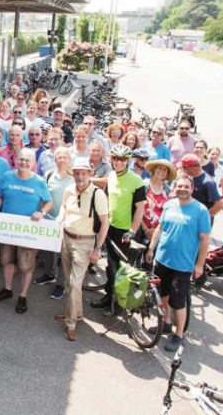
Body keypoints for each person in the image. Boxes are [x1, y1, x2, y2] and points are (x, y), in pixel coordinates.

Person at [146, 175, 210, 352]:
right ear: (174, 188)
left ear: (192, 188)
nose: (182, 189)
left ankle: (179, 334)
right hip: (163, 259)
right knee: (163, 295)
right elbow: (160, 227)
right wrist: (151, 248)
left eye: (186, 186)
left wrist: (199, 265)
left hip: (182, 265)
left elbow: (204, 239)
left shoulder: (200, 210)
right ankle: (166, 323)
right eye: (179, 186)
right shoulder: (169, 204)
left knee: (178, 301)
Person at [0, 149, 53, 313]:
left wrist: (42, 213)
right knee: (6, 260)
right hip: (8, 229)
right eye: (21, 159)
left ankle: (23, 296)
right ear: (16, 159)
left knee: (26, 266)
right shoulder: (7, 176)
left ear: (32, 163)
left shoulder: (39, 181)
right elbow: (0, 196)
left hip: (28, 231)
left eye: (27, 160)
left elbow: (48, 202)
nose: (23, 162)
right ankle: (8, 290)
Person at [54, 157, 109, 341]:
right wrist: (59, 220)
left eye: (83, 172)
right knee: (70, 283)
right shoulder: (69, 189)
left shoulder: (98, 194)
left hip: (85, 243)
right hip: (66, 237)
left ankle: (71, 324)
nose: (79, 176)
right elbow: (63, 207)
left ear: (89, 174)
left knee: (76, 283)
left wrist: (97, 248)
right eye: (76, 172)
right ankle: (75, 313)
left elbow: (105, 222)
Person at [90, 144, 146, 313]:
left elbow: (140, 208)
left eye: (122, 159)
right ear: (111, 159)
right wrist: (86, 178)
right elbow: (104, 182)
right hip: (110, 227)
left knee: (120, 269)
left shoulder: (136, 181)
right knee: (110, 264)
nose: (119, 162)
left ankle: (119, 304)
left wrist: (132, 230)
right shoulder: (112, 175)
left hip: (125, 231)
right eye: (116, 159)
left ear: (128, 160)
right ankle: (110, 297)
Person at [33, 147, 74, 300]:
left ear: (69, 159)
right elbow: (43, 195)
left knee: (64, 253)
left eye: (64, 157)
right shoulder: (49, 174)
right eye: (59, 157)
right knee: (50, 250)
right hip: (50, 219)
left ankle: (61, 284)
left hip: (67, 221)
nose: (61, 160)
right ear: (55, 159)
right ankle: (50, 274)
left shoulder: (74, 176)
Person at [178, 153, 223, 223]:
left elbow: (219, 204)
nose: (182, 169)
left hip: (201, 223)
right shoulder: (191, 176)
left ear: (192, 168)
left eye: (183, 167)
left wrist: (202, 218)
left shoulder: (208, 183)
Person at [140, 159, 177, 243]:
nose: (161, 171)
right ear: (154, 169)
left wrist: (156, 231)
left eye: (164, 170)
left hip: (159, 233)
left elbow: (168, 214)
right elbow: (135, 208)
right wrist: (145, 229)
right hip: (140, 230)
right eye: (159, 168)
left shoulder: (168, 190)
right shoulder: (144, 185)